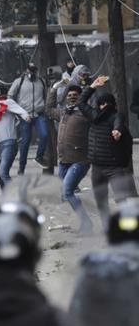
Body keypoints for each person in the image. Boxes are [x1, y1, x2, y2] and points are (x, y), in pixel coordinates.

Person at [78, 75, 137, 224]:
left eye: (106, 103)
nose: (104, 106)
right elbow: (81, 102)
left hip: (114, 168)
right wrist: (92, 87)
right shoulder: (93, 116)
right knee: (101, 200)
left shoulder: (116, 116)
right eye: (102, 103)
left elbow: (119, 123)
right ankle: (108, 228)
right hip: (97, 167)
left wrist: (117, 131)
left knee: (121, 199)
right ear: (99, 104)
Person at [46, 84, 93, 233]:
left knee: (67, 192)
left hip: (80, 160)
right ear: (66, 98)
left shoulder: (86, 113)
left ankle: (87, 223)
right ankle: (75, 218)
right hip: (64, 161)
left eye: (76, 95)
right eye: (69, 95)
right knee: (62, 193)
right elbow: (48, 109)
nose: (72, 97)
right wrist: (53, 89)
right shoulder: (63, 113)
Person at [8, 63, 49, 173]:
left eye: (34, 70)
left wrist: (45, 108)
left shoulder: (41, 81)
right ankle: (22, 167)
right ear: (26, 70)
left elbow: (46, 96)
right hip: (25, 115)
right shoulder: (19, 81)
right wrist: (19, 113)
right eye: (30, 70)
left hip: (39, 114)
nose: (32, 72)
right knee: (25, 141)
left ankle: (39, 157)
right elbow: (10, 97)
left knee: (44, 135)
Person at [0, 86, 30, 187]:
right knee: (0, 174)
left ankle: (16, 196)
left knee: (3, 173)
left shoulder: (8, 102)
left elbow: (20, 110)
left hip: (9, 143)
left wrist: (26, 116)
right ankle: (7, 198)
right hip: (1, 143)